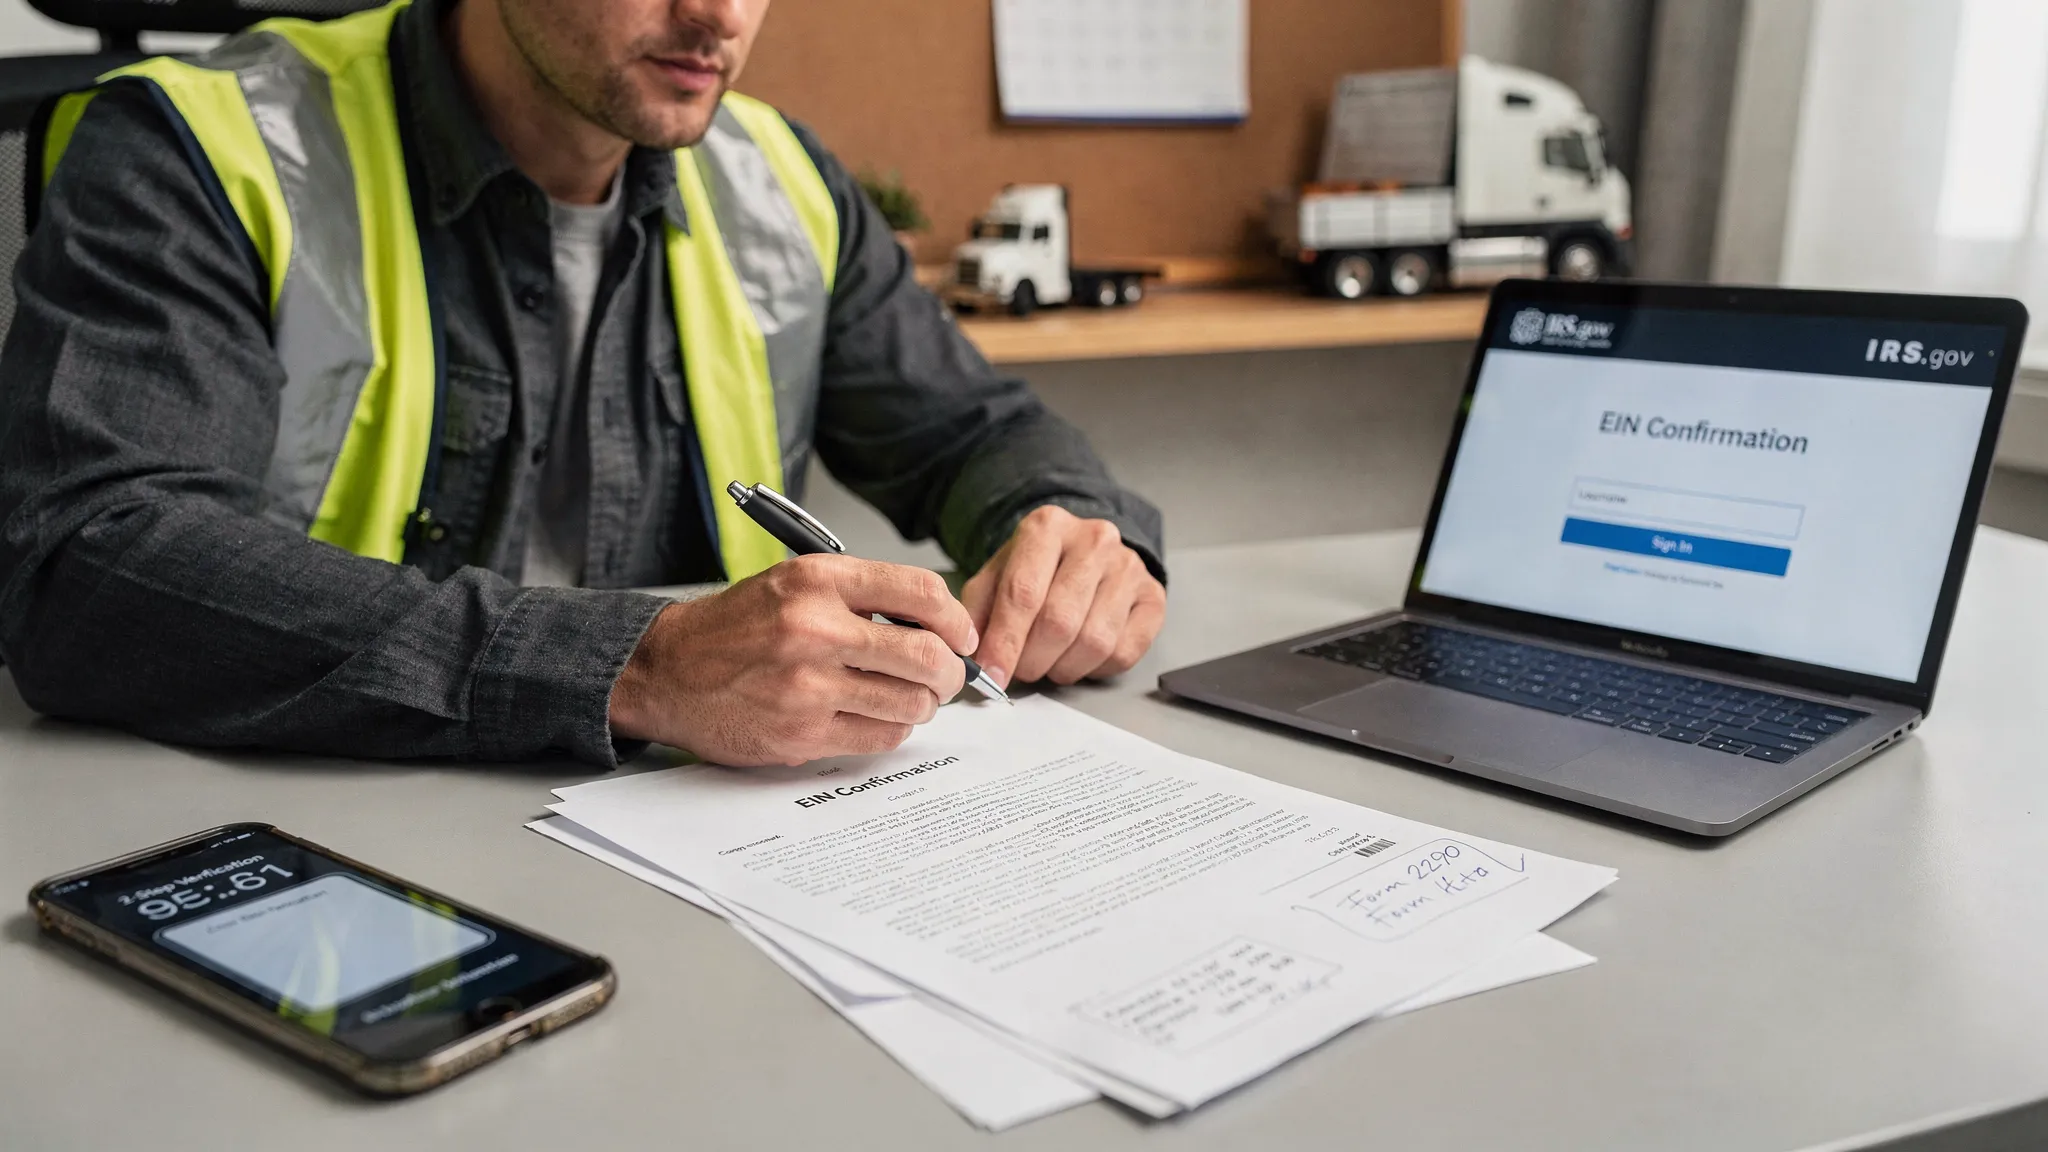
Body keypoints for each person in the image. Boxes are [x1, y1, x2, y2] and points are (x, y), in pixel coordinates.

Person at [0, 0, 1165, 768]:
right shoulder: (200, 144)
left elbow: (972, 427)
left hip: (717, 854)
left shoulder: (779, 179)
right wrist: (635, 665)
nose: (718, 15)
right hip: (313, 840)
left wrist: (1070, 533)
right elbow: (86, 564)